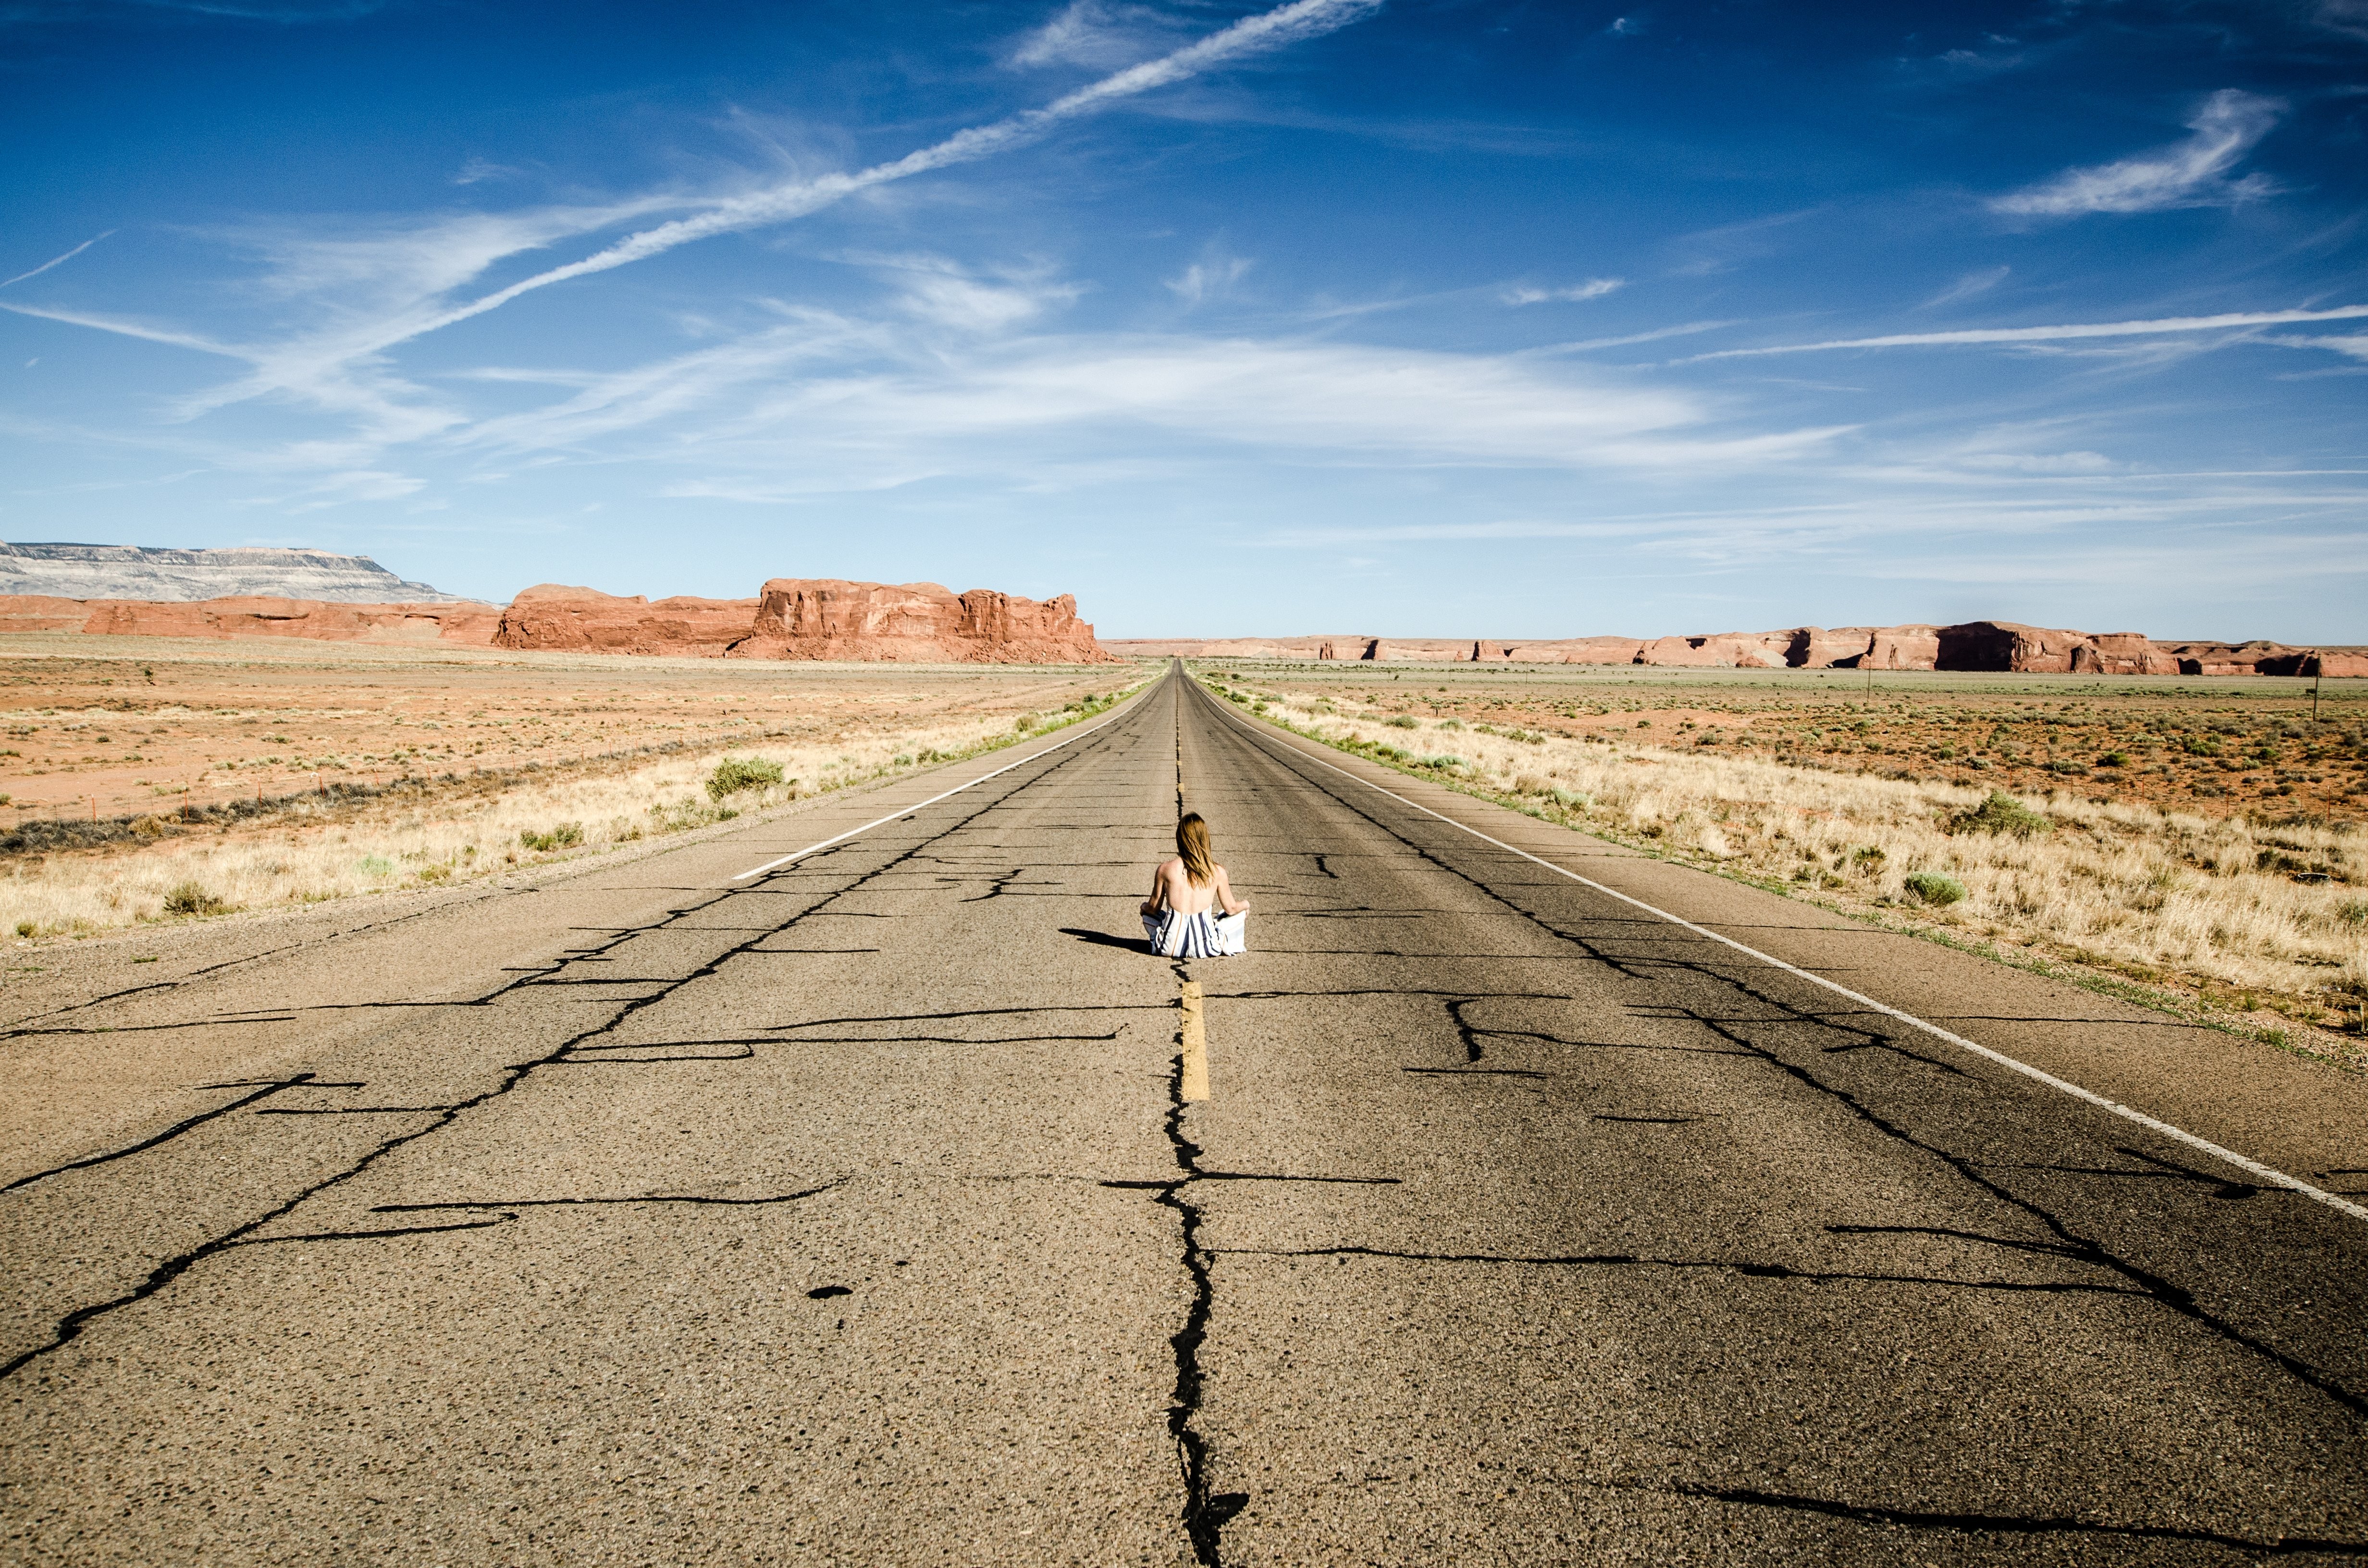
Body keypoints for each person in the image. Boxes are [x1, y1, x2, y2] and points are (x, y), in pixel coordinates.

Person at [1140, 812, 1248, 957]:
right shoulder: (1217, 871)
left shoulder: (1165, 870)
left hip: (1169, 947)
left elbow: (1153, 909)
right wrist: (1246, 906)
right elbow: (1231, 908)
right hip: (1207, 947)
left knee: (1152, 913)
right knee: (1236, 913)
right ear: (1205, 839)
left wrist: (1144, 908)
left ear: (1180, 839)